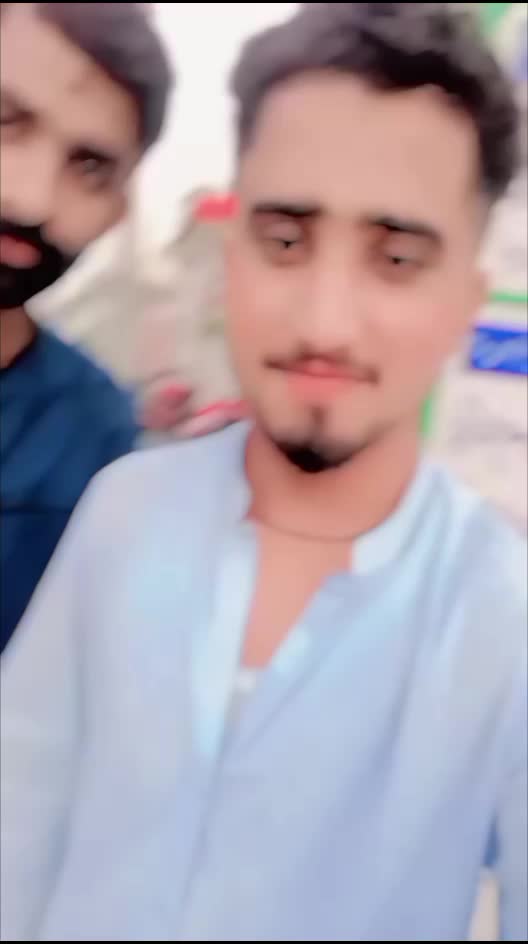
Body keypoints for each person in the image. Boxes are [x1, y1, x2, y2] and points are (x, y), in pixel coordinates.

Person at [1, 3, 526, 941]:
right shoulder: (123, 510)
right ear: (232, 250)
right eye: (285, 241)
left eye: (396, 258)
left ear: (464, 301)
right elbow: (18, 823)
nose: (325, 321)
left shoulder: (504, 617)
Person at [0, 2, 174, 651]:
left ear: (117, 211)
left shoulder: (94, 449)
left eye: (89, 167)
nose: (31, 198)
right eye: (6, 122)